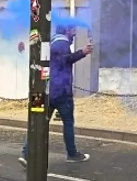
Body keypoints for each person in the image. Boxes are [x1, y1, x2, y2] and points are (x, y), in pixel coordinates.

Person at [19, 25, 92, 167]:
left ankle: (26, 153)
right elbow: (64, 60)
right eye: (73, 31)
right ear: (67, 31)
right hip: (61, 92)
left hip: (43, 90)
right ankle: (72, 153)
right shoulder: (62, 43)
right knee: (68, 122)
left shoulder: (49, 41)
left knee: (38, 123)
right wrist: (82, 52)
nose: (75, 35)